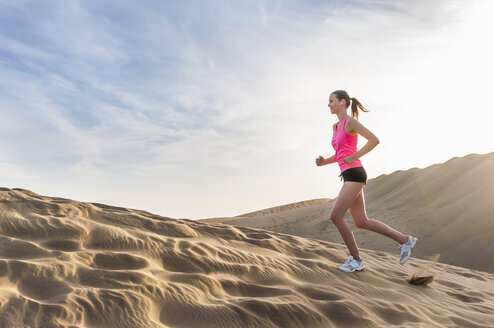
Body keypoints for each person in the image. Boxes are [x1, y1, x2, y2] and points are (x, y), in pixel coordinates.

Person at [315, 90, 417, 272]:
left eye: (331, 101)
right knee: (361, 221)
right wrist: (325, 162)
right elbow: (340, 154)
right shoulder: (335, 127)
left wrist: (354, 155)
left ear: (342, 102)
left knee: (335, 216)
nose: (328, 104)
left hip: (355, 173)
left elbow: (374, 140)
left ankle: (356, 260)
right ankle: (405, 240)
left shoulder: (350, 122)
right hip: (348, 175)